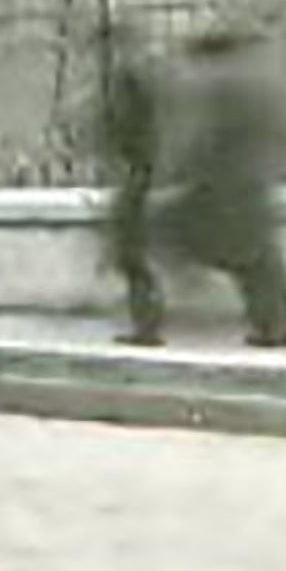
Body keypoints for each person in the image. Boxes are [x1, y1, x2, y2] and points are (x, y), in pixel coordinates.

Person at [149, 11, 286, 349]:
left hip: (220, 179)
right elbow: (281, 131)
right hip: (254, 176)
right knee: (259, 257)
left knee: (183, 233)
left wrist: (175, 171)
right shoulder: (263, 79)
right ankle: (275, 325)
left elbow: (197, 134)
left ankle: (197, 289)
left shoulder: (213, 83)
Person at [97, 19, 173, 345]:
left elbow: (131, 127)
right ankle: (146, 322)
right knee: (131, 253)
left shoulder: (133, 79)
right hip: (142, 171)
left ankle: (148, 326)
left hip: (140, 173)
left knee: (131, 253)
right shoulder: (142, 76)